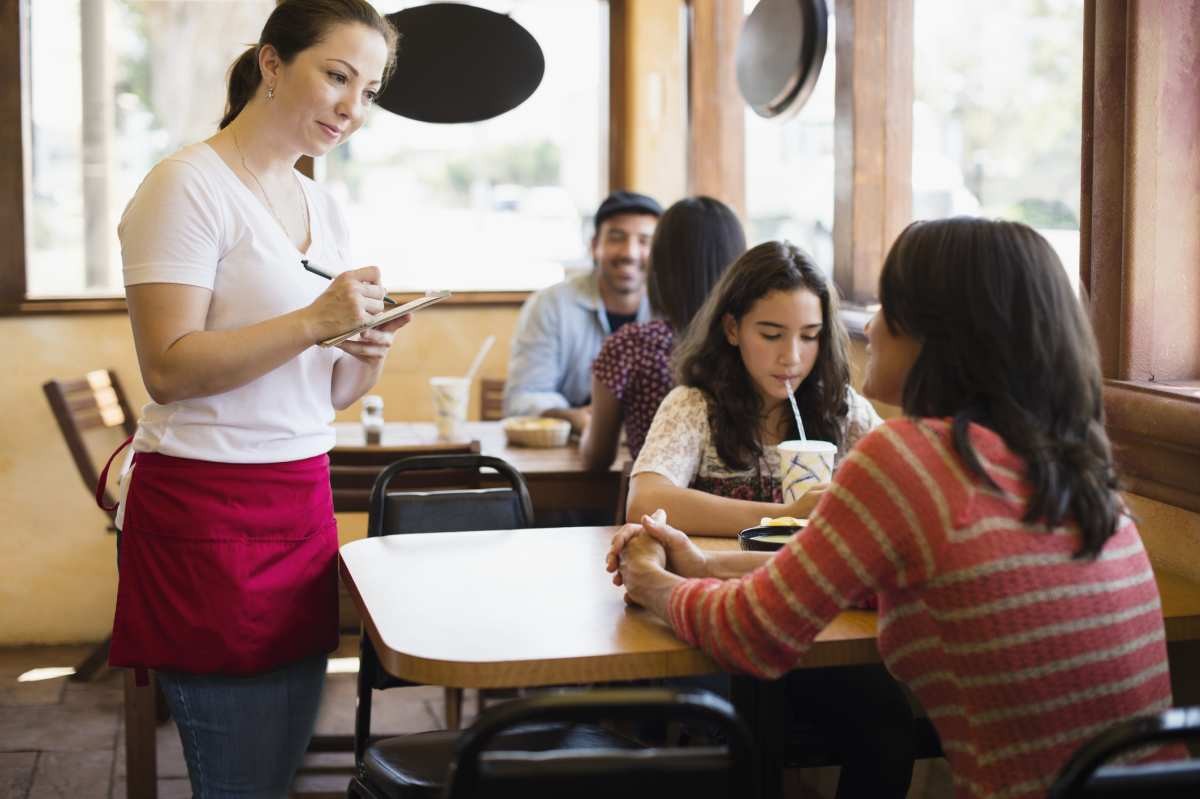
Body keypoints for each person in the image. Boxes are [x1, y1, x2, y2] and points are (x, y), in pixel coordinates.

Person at [609, 218, 1182, 798]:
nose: (869, 324)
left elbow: (753, 633)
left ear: (940, 335)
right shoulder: (1075, 466)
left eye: (889, 306)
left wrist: (651, 581)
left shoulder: (907, 459)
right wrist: (704, 565)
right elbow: (886, 580)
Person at [108, 2, 402, 796]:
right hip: (207, 505)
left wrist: (364, 353)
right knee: (237, 775)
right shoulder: (185, 186)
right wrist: (314, 320)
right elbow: (167, 368)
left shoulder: (320, 202)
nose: (352, 106)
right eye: (336, 75)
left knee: (276, 771)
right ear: (271, 64)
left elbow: (322, 394)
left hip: (300, 502)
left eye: (368, 90)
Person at [626, 240, 883, 535]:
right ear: (733, 329)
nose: (792, 357)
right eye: (772, 335)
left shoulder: (842, 409)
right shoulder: (694, 406)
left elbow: (904, 484)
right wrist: (787, 515)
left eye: (810, 336)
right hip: (711, 578)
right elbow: (644, 502)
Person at [579, 196, 746, 470]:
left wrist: (586, 426)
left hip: (660, 509)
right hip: (755, 509)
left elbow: (596, 458)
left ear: (660, 267)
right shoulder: (752, 344)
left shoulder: (630, 346)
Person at [502, 190, 662, 432]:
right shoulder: (550, 306)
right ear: (595, 245)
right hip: (568, 454)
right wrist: (572, 417)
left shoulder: (671, 309)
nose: (629, 253)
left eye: (644, 241)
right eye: (617, 237)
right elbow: (523, 397)